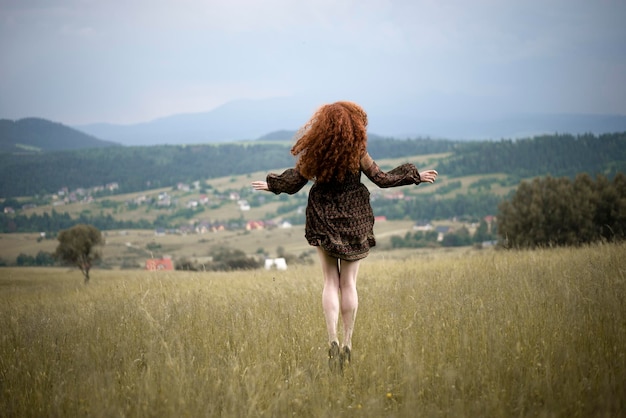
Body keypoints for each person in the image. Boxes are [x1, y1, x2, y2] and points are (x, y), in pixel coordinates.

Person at [251, 101, 438, 373]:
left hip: (323, 217)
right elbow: (382, 179)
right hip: (355, 219)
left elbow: (295, 181)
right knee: (348, 284)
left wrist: (272, 185)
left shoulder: (317, 153)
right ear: (354, 125)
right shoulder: (358, 152)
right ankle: (348, 342)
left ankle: (333, 339)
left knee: (330, 281)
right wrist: (415, 176)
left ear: (323, 126)